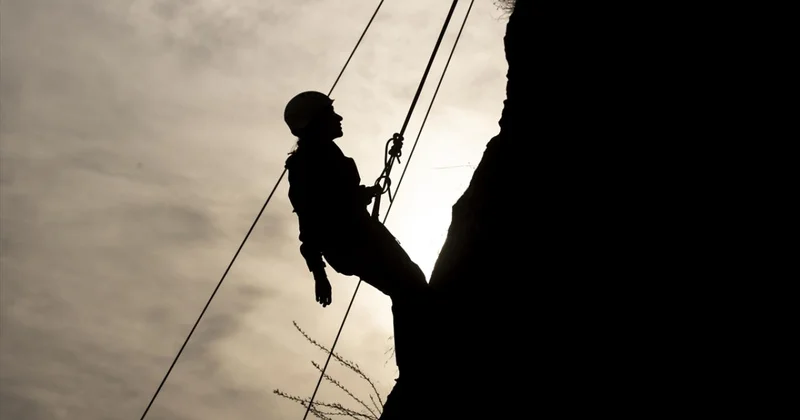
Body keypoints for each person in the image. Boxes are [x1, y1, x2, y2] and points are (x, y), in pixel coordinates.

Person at [283, 91, 428, 376]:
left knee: (411, 283)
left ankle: (416, 364)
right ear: (315, 123)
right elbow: (311, 222)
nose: (338, 118)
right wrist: (319, 275)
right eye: (330, 115)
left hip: (359, 238)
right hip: (351, 243)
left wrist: (365, 194)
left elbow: (337, 201)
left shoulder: (325, 155)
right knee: (408, 287)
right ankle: (415, 367)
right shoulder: (306, 166)